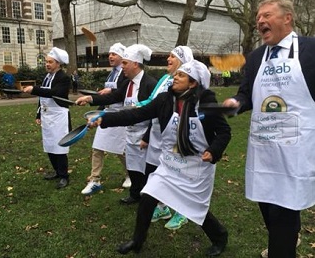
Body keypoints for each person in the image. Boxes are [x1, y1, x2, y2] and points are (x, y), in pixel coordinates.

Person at [89, 59, 231, 256]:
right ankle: (137, 241)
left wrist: (214, 151)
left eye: (181, 75)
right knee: (147, 196)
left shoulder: (205, 104)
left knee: (194, 205)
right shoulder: (165, 100)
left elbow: (224, 132)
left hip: (196, 165)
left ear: (193, 83)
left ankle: (220, 237)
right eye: (177, 74)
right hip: (170, 163)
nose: (175, 77)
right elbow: (136, 114)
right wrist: (105, 119)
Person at [223, 0, 315, 258]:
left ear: (287, 18)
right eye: (258, 18)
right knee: (268, 206)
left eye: (266, 16)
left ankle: (282, 247)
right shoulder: (255, 57)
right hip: (263, 150)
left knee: (286, 208)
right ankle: (285, 240)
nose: (260, 21)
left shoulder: (311, 49)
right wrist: (236, 103)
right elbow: (246, 95)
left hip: (296, 149)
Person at [76, 44, 157, 205]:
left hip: (146, 136)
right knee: (133, 167)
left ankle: (150, 199)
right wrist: (90, 99)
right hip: (130, 132)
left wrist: (148, 136)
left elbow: (156, 114)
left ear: (135, 63)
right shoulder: (128, 83)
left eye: (125, 63)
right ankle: (135, 195)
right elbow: (112, 97)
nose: (122, 66)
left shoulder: (150, 84)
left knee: (147, 170)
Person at [137, 46, 194, 230]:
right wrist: (146, 134)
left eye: (172, 56)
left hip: (175, 137)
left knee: (179, 176)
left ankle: (182, 212)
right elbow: (153, 104)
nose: (168, 59)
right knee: (153, 174)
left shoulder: (188, 84)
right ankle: (162, 207)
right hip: (156, 137)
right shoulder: (164, 79)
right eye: (168, 55)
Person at [81, 43, 130, 195]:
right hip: (108, 112)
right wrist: (98, 113)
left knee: (121, 150)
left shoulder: (126, 74)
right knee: (98, 147)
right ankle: (95, 180)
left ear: (122, 57)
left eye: (114, 54)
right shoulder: (111, 74)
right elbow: (106, 98)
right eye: (109, 54)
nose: (110, 56)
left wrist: (111, 91)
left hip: (121, 115)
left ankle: (130, 174)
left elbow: (123, 93)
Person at [23, 47, 72, 189]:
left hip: (58, 116)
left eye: (50, 62)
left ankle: (64, 176)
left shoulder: (63, 78)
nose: (47, 64)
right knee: (49, 145)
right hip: (47, 116)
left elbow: (54, 93)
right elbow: (42, 97)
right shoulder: (47, 77)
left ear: (58, 63)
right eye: (46, 62)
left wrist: (34, 89)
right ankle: (57, 171)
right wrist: (38, 114)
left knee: (60, 146)